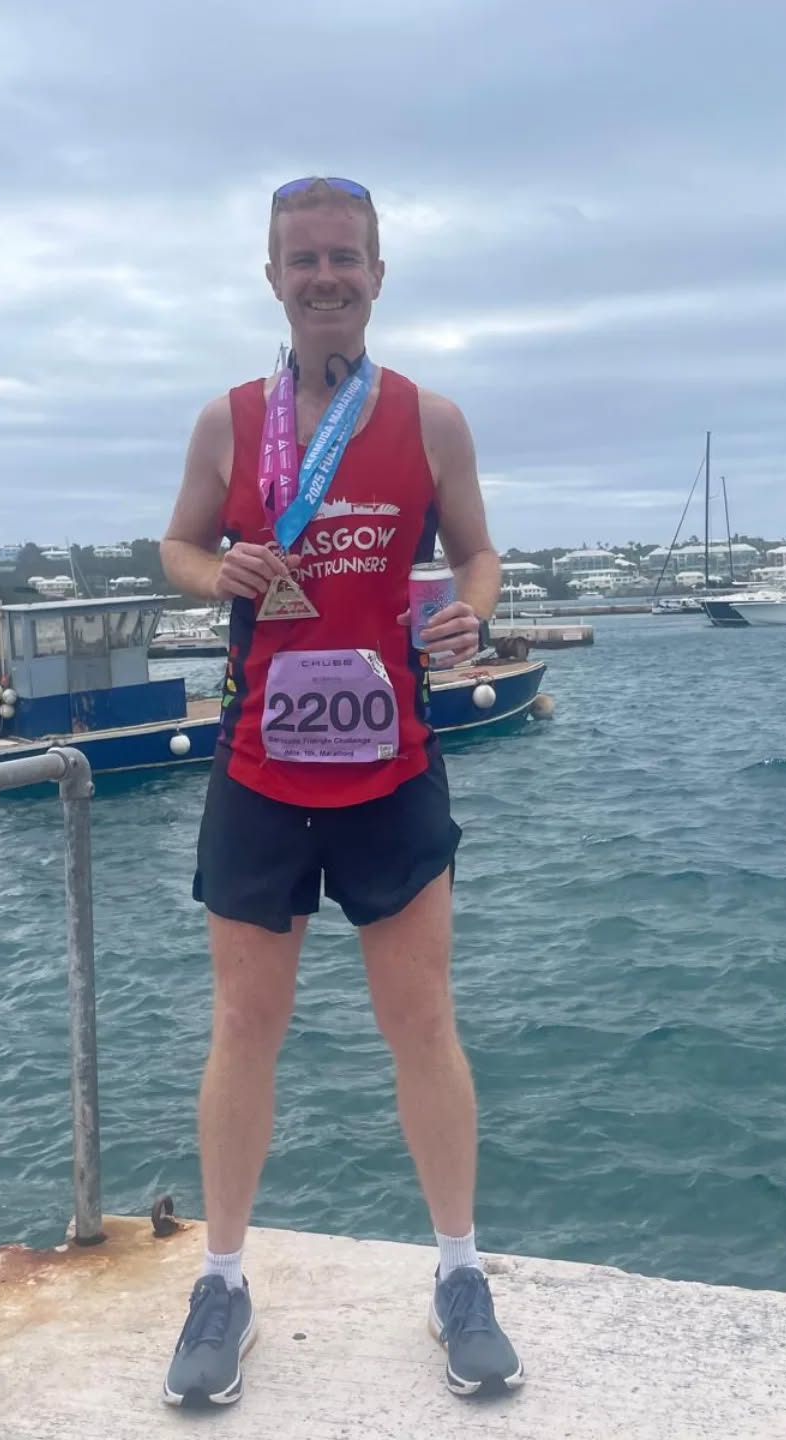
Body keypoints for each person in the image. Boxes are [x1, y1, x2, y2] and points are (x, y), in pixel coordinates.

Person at [156, 177, 524, 1408]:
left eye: (346, 258)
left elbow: (476, 554)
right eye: (304, 258)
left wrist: (468, 615)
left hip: (393, 765)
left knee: (421, 1023)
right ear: (272, 277)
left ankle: (461, 1274)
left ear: (378, 274)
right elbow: (177, 544)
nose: (326, 277)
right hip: (261, 767)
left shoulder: (430, 420)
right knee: (243, 1028)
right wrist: (221, 573)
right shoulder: (229, 419)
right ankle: (220, 1285)